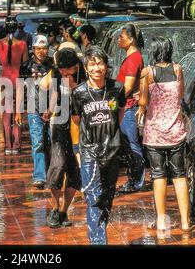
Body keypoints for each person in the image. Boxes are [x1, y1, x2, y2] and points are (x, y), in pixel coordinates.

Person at [71, 46, 125, 245]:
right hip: (89, 152)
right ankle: (99, 241)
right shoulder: (79, 93)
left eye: (100, 63)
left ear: (106, 66)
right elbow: (75, 122)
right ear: (86, 68)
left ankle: (98, 233)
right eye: (92, 64)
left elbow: (121, 110)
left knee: (107, 198)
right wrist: (78, 151)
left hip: (112, 150)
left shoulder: (117, 88)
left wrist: (112, 131)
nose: (96, 68)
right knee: (93, 198)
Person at [136, 37, 190, 233]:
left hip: (155, 134)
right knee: (179, 174)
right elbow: (180, 94)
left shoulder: (147, 72)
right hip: (176, 131)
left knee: (158, 175)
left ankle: (161, 220)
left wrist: (142, 102)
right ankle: (185, 222)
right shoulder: (178, 69)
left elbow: (142, 102)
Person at [40, 48, 87, 228]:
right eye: (60, 69)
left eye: (66, 69)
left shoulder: (85, 74)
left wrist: (74, 87)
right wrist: (49, 110)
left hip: (81, 126)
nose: (62, 72)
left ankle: (63, 212)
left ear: (76, 66)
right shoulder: (57, 73)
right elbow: (55, 93)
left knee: (74, 170)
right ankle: (55, 207)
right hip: (60, 123)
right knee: (57, 166)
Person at [16, 35, 54, 189]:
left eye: (44, 48)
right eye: (38, 48)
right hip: (33, 109)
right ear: (33, 49)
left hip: (54, 110)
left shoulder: (53, 65)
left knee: (52, 141)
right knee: (37, 141)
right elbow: (20, 88)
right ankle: (39, 176)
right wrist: (18, 111)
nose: (41, 51)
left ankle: (53, 172)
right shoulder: (26, 66)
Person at [116, 24, 146, 193]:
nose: (119, 39)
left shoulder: (134, 58)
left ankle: (137, 181)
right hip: (126, 107)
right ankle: (134, 180)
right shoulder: (133, 57)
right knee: (129, 144)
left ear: (131, 39)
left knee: (132, 144)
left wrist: (113, 101)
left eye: (122, 37)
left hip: (128, 108)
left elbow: (127, 87)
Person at [0, 16, 28, 155]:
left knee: (6, 115)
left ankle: (8, 145)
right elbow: (25, 63)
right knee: (18, 114)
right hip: (18, 80)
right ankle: (17, 145)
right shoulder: (22, 44)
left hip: (4, 81)